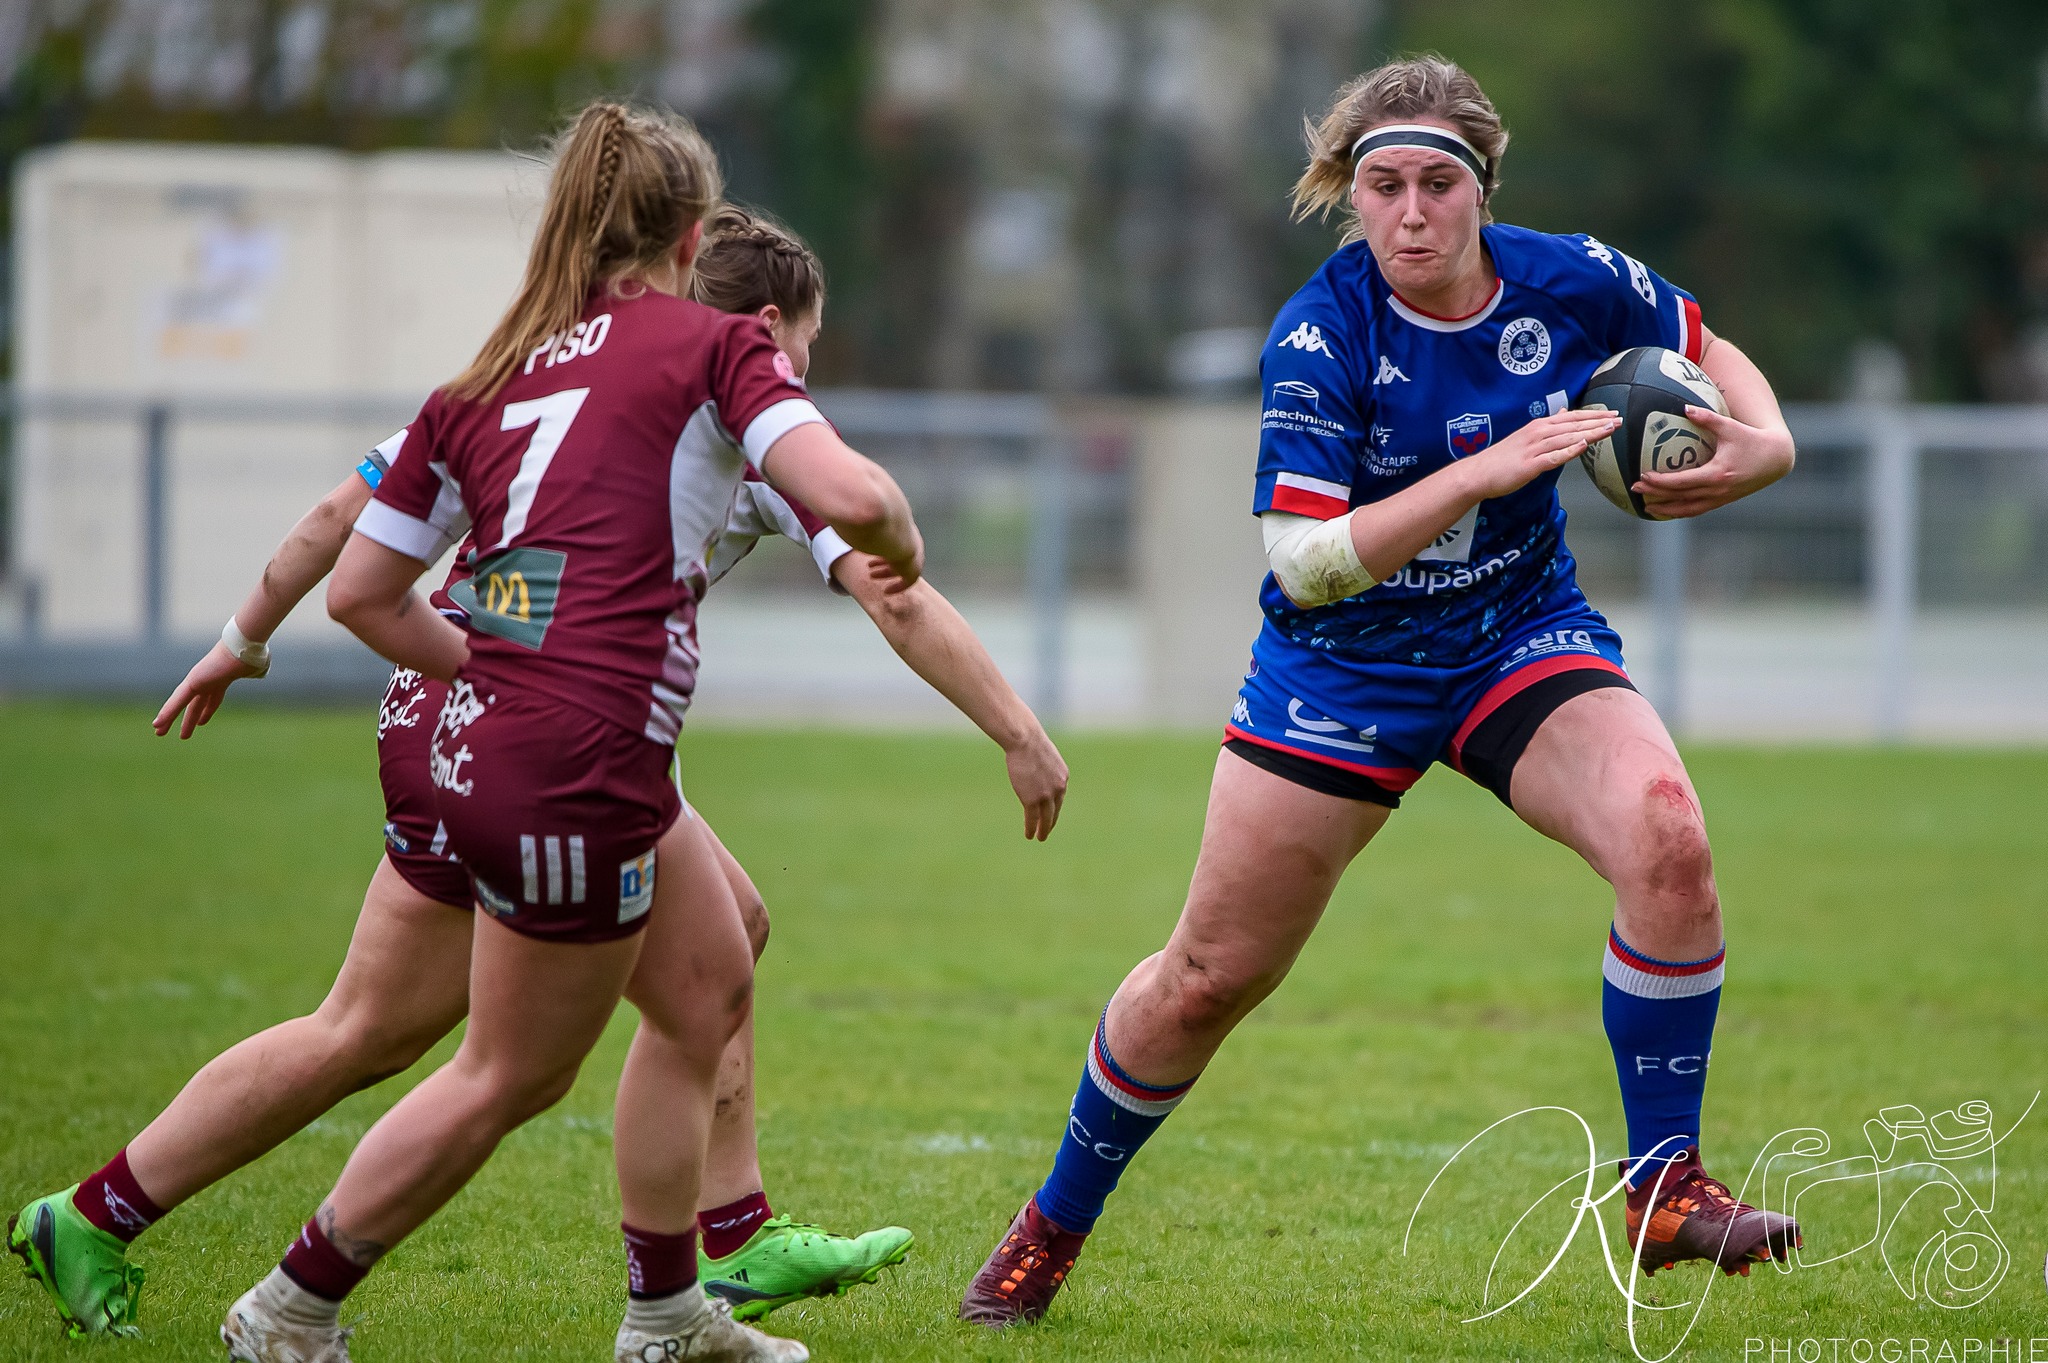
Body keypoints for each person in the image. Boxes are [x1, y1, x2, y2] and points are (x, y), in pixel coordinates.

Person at [5, 202, 1064, 1346]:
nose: (800, 369)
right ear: (763, 325)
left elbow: (340, 514)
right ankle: (315, 1303)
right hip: (548, 728)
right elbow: (892, 587)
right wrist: (1016, 728)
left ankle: (97, 1210)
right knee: (512, 1065)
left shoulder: (537, 366)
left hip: (433, 706)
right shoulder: (731, 397)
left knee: (431, 1010)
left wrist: (242, 636)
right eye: (802, 346)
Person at [958, 55, 1802, 1327]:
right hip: (1341, 665)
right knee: (1205, 978)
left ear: (1480, 191)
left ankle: (1662, 1184)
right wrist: (1482, 471)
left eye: (1435, 185)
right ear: (1350, 197)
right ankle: (1047, 1229)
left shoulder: (1568, 275)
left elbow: (1706, 343)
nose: (1409, 212)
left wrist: (1768, 441)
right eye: (1381, 185)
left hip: (1517, 633)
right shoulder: (1319, 330)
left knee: (1667, 839)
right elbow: (1302, 564)